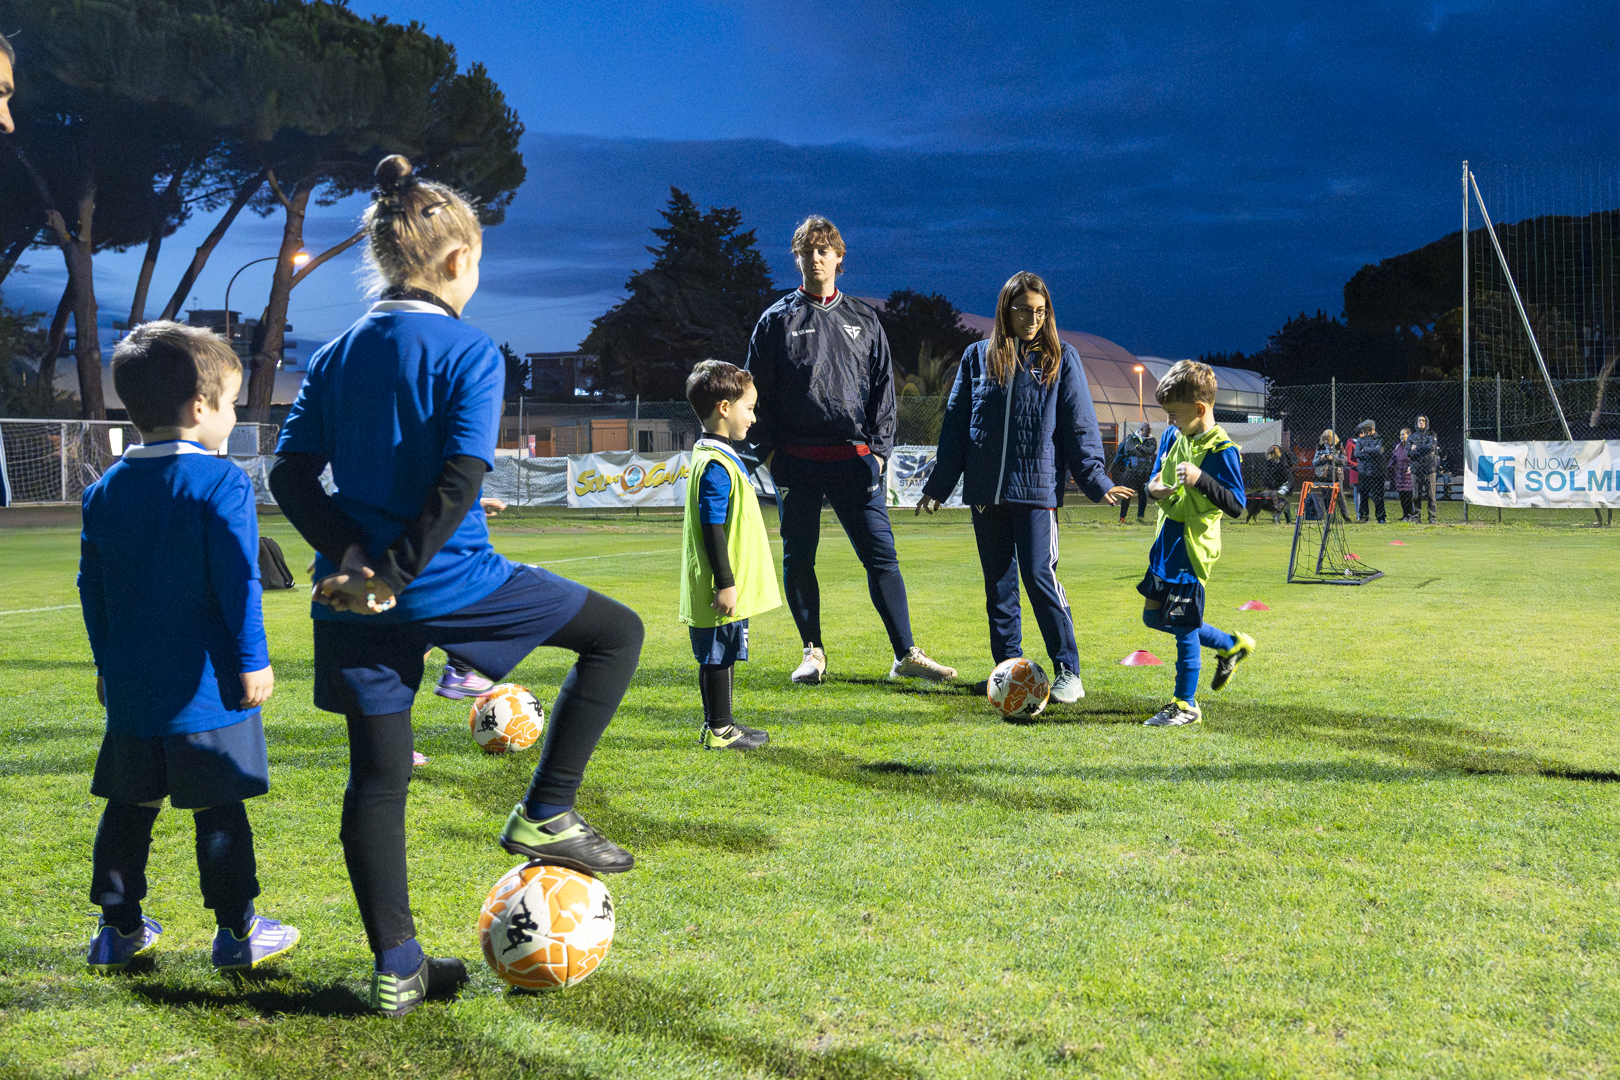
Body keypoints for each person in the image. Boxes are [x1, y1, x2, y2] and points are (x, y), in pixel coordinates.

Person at [268, 156, 644, 1016]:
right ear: (456, 260)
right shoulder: (471, 349)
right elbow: (460, 478)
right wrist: (399, 573)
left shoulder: (334, 354)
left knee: (376, 781)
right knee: (616, 633)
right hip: (451, 578)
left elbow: (289, 474)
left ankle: (398, 966)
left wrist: (354, 560)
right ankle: (546, 810)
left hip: (351, 596)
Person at [80, 322, 299, 974]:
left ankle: (116, 930)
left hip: (133, 685)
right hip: (207, 685)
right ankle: (238, 933)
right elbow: (239, 579)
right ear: (200, 406)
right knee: (218, 808)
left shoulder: (103, 491)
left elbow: (93, 590)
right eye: (230, 403)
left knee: (130, 806)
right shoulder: (221, 482)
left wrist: (105, 665)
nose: (233, 416)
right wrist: (253, 659)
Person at [744, 215, 955, 687]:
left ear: (839, 257)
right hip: (797, 460)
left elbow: (883, 391)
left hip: (853, 461)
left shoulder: (864, 318)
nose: (816, 258)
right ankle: (812, 652)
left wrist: (878, 453)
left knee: (882, 558)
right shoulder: (776, 320)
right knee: (799, 558)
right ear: (796, 258)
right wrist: (771, 455)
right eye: (807, 251)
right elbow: (754, 395)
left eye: (824, 250)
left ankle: (905, 653)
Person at [917, 273, 1131, 706]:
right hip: (986, 494)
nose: (1032, 319)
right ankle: (1008, 673)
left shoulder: (1062, 358)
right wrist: (939, 485)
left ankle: (1068, 671)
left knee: (1038, 575)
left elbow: (1079, 426)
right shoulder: (977, 357)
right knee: (999, 587)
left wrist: (1098, 481)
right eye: (1023, 310)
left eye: (1040, 311)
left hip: (1036, 492)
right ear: (1006, 310)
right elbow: (957, 426)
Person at [1137, 361, 1255, 728]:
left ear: (1200, 409)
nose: (1169, 421)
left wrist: (1201, 477)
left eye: (1174, 414)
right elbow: (1154, 479)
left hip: (1191, 550)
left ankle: (1185, 704)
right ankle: (1230, 645)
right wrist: (1154, 488)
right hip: (1165, 545)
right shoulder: (1173, 437)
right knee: (1153, 617)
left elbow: (1236, 505)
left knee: (1184, 626)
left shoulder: (1222, 450)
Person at [680, 360, 781, 750]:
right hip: (720, 586)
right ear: (724, 408)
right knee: (716, 655)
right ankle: (719, 730)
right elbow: (712, 526)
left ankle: (724, 724)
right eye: (749, 408)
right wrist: (725, 583)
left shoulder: (718, 454)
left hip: (727, 585)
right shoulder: (715, 465)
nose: (753, 418)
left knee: (724, 651)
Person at [1109, 422, 1155, 522]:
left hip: (1144, 472)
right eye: (1146, 431)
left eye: (1149, 431)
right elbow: (1129, 450)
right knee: (1127, 495)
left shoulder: (1151, 440)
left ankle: (1140, 517)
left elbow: (1150, 451)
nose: (1148, 433)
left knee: (1142, 496)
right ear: (1141, 430)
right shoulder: (1131, 439)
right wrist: (1143, 451)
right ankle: (1122, 517)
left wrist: (1138, 447)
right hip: (1130, 472)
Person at [1349, 420, 1387, 523]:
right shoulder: (1360, 440)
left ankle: (1380, 516)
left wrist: (1365, 450)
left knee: (1378, 496)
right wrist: (1372, 451)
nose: (1362, 432)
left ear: (1370, 429)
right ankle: (1364, 516)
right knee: (1363, 495)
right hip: (1364, 471)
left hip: (1377, 472)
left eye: (1364, 429)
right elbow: (1357, 454)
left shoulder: (1379, 439)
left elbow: (1378, 451)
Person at [1311, 429, 1352, 521]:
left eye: (1328, 439)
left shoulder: (1339, 447)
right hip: (1324, 475)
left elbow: (1344, 461)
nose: (1326, 442)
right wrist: (1323, 458)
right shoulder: (1320, 447)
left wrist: (1334, 458)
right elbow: (1314, 462)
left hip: (1337, 474)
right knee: (1326, 497)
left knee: (1340, 497)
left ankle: (1346, 516)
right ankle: (1330, 516)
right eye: (1324, 439)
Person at [1408, 416, 1439, 523]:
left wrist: (1416, 448)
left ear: (1426, 422)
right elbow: (1409, 453)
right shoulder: (1411, 437)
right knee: (1416, 495)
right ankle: (1416, 516)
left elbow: (1431, 448)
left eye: (1423, 421)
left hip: (1430, 468)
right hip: (1416, 469)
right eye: (1419, 421)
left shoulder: (1432, 435)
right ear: (1416, 423)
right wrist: (1422, 450)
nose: (1421, 422)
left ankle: (1432, 517)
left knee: (1431, 495)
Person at [1260, 444, 1293, 524]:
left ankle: (1287, 518)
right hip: (1274, 485)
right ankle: (1277, 517)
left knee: (1283, 501)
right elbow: (1266, 476)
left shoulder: (1283, 463)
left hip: (1284, 484)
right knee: (1276, 502)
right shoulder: (1269, 464)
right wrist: (1266, 485)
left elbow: (1287, 476)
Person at [1391, 427, 1414, 521]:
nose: (1401, 436)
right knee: (1402, 494)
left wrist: (1411, 467)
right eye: (1400, 434)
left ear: (1409, 435)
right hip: (1400, 473)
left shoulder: (1411, 446)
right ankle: (1405, 514)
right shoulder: (1398, 446)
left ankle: (1410, 514)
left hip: (1408, 472)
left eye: (1403, 434)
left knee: (1408, 494)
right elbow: (1394, 457)